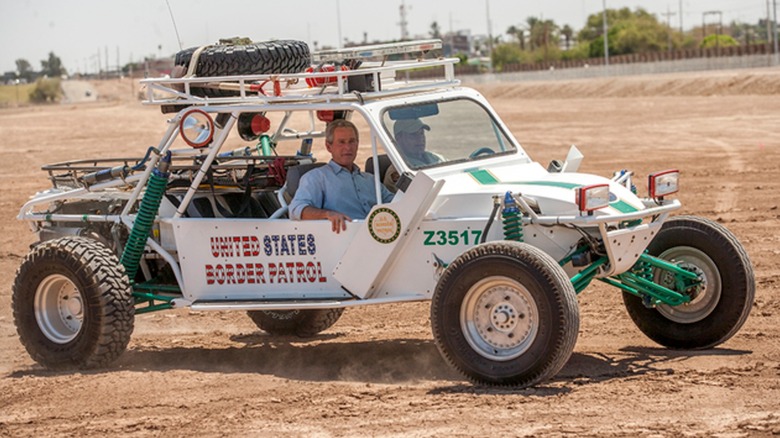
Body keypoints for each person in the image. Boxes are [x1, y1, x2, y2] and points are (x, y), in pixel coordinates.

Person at [290, 119, 394, 233]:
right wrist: (327, 214)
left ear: (357, 144)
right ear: (329, 147)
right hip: (343, 241)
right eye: (341, 142)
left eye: (351, 141)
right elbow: (296, 210)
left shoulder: (370, 179)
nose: (348, 147)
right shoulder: (317, 178)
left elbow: (395, 202)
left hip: (379, 238)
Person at [383, 118, 443, 190]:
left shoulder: (436, 158)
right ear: (399, 138)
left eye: (421, 133)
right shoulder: (398, 171)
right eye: (413, 135)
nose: (420, 139)